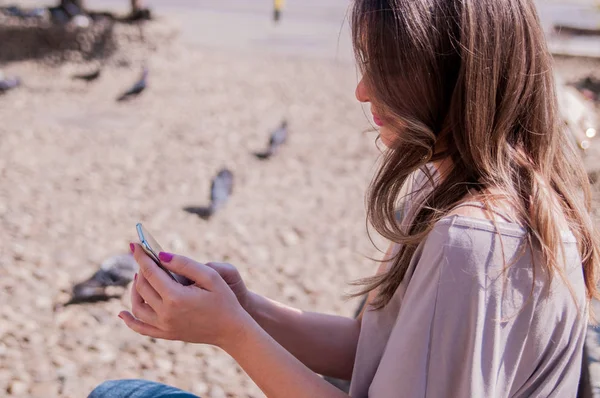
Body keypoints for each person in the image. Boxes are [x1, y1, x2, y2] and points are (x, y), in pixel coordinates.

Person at [89, 0, 600, 397]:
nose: (361, 90)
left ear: (458, 76)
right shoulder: (464, 189)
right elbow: (373, 351)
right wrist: (247, 309)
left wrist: (232, 333)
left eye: (386, 68)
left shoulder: (473, 239)